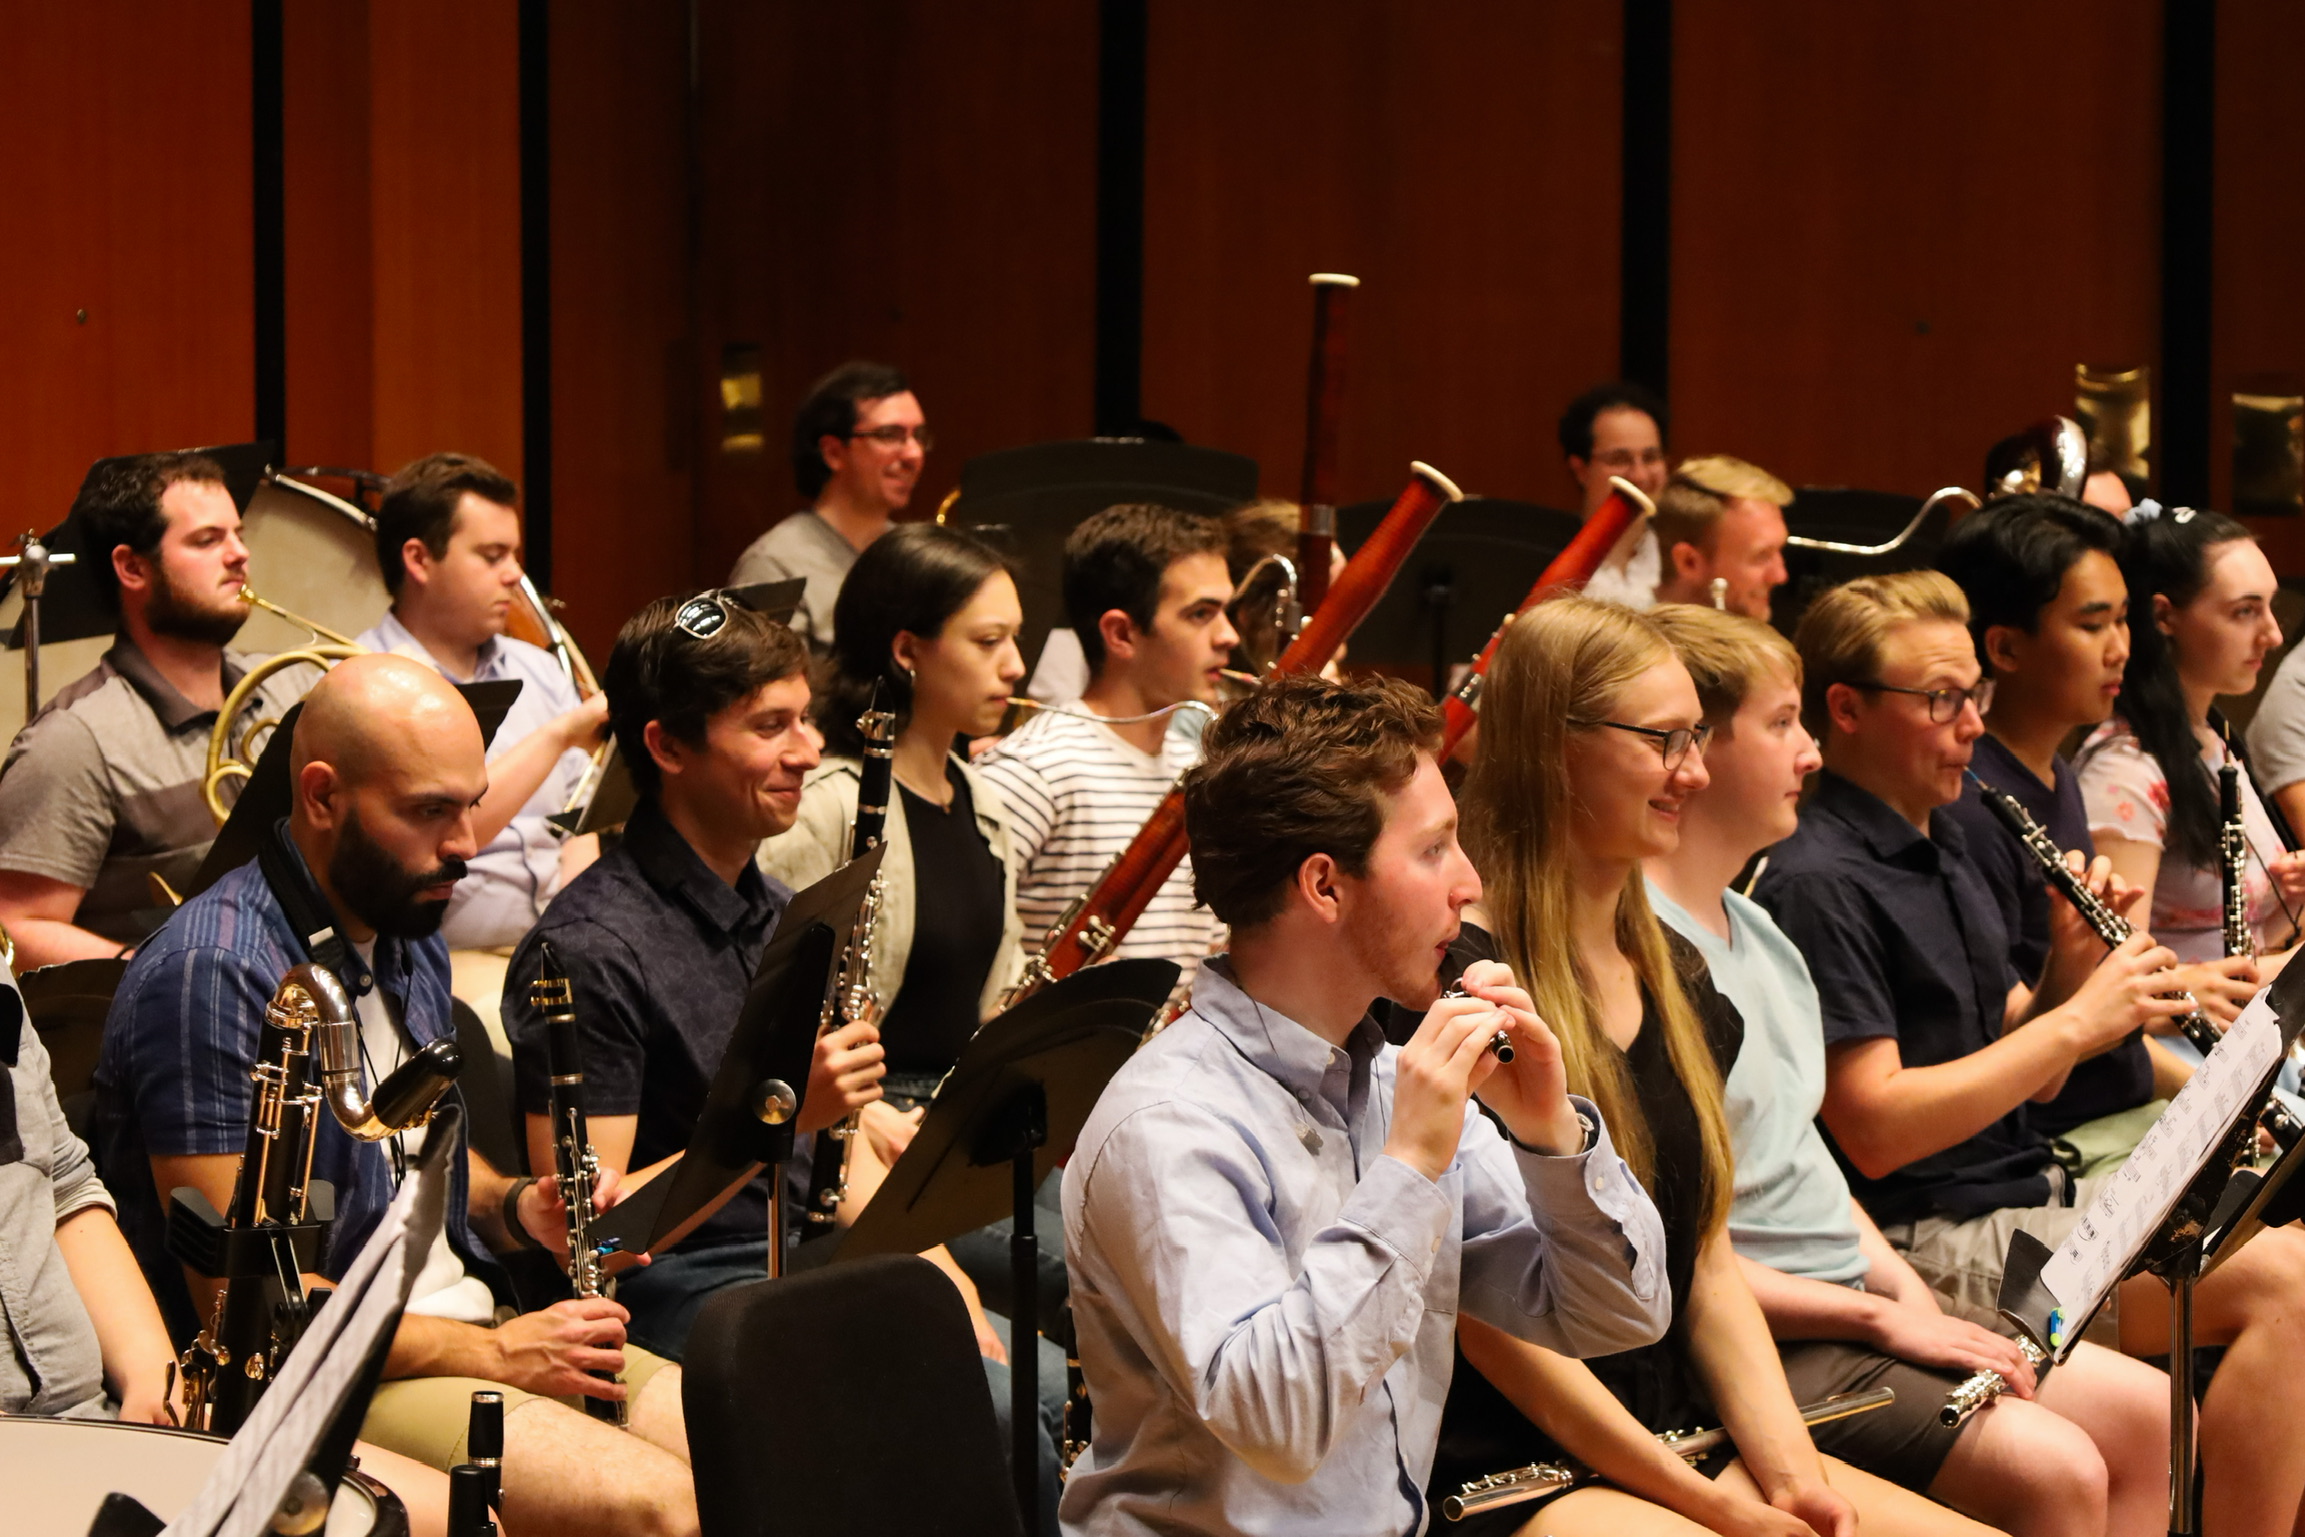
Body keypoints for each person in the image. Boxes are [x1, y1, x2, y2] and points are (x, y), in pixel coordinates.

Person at [94, 654, 700, 1536]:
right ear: (321, 795)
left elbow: (413, 1153)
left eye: (469, 803)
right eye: (428, 811)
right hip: (319, 1383)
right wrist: (496, 1350)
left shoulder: (406, 917)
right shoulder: (211, 973)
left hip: (459, 1331)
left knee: (742, 1437)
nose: (467, 842)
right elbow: (247, 1307)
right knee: (662, 1509)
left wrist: (514, 1205)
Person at [1754, 570, 2305, 1537]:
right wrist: (2080, 1019)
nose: (1971, 724)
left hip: (2020, 1196)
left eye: (1975, 695)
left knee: (2289, 1253)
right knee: (2287, 1288)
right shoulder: (1818, 880)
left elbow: (2033, 1068)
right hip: (1924, 1233)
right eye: (1939, 700)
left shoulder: (1950, 841)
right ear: (1843, 710)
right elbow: (1875, 1127)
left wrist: (2068, 970)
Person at [1061, 670, 1670, 1536]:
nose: (1467, 882)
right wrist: (1409, 1167)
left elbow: (1618, 1313)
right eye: (1432, 849)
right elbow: (1277, 1424)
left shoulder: (1391, 1085)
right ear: (1324, 885)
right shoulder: (1167, 1123)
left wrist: (1548, 1135)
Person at [1413, 596, 1973, 1537]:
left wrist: (1796, 1482)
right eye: (1665, 741)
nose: (1696, 772)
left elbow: (1704, 1261)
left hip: (1679, 1432)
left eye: (1699, 740)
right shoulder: (1458, 985)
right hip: (1517, 1463)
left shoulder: (1679, 978)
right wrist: (1712, 1506)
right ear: (1558, 747)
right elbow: (1490, 1321)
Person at [1646, 603, 2169, 1537]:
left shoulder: (1759, 929)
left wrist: (1904, 1295)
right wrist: (1889, 1316)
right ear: (1691, 754)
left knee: (2153, 1418)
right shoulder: (1706, 927)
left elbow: (1805, 1159)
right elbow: (1849, 1151)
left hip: (1862, 1277)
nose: (1806, 752)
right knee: (2058, 1469)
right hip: (1771, 1325)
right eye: (1781, 725)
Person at [501, 592, 884, 1361]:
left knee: (1030, 1377)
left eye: (805, 718)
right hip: (673, 1287)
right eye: (770, 726)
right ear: (668, 748)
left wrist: (945, 1279)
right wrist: (772, 1118)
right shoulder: (587, 949)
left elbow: (844, 1157)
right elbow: (594, 1241)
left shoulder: (786, 910)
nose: (809, 751)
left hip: (795, 1252)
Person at [1935, 498, 2225, 1155]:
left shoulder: (2057, 775)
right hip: (2059, 1142)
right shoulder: (1967, 807)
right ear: (2004, 646)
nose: (2120, 648)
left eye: (2123, 619)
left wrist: (2226, 1098)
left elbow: (2120, 1050)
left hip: (2121, 1112)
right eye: (2092, 624)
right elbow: (2030, 1049)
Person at [760, 523, 1028, 1156]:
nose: (1016, 665)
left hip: (959, 1108)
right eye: (989, 642)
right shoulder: (826, 807)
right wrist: (862, 1111)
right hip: (863, 1128)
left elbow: (992, 1001)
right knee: (1059, 1259)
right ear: (907, 650)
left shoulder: (980, 797)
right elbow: (760, 1012)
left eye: (1015, 638)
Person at [0, 452, 316, 968]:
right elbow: (17, 926)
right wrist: (168, 972)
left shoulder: (293, 685)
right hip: (173, 1024)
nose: (240, 554)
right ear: (132, 567)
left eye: (238, 534)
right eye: (207, 540)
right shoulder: (75, 740)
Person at [357, 452, 608, 954]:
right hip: (441, 960)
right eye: (492, 556)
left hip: (557, 941)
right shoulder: (365, 683)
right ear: (419, 559)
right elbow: (442, 836)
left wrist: (579, 931)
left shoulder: (537, 667)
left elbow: (581, 823)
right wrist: (556, 736)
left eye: (514, 555)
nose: (515, 574)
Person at [979, 503, 1237, 986]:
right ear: (1121, 634)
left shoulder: (1203, 772)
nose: (1229, 635)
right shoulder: (1032, 772)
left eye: (1225, 611)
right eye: (1201, 614)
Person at [2076, 505, 2305, 973]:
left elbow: (2236, 940)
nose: (2273, 634)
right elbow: (2119, 984)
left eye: (2271, 606)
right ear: (2164, 616)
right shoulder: (2123, 770)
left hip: (2241, 1033)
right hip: (2184, 1044)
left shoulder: (2211, 737)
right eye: (2245, 611)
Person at [728, 359, 928, 657]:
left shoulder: (914, 554)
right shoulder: (775, 565)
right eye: (890, 435)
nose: (913, 454)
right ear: (833, 452)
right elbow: (771, 698)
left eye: (918, 436)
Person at [1559, 381, 1671, 608]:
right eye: (1619, 460)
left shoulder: (1681, 558)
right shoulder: (1551, 558)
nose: (1640, 476)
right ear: (1581, 470)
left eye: (1651, 457)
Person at [1647, 456, 1792, 619]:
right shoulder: (1634, 644)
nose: (1780, 576)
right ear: (1689, 562)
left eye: (1779, 551)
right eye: (1761, 556)